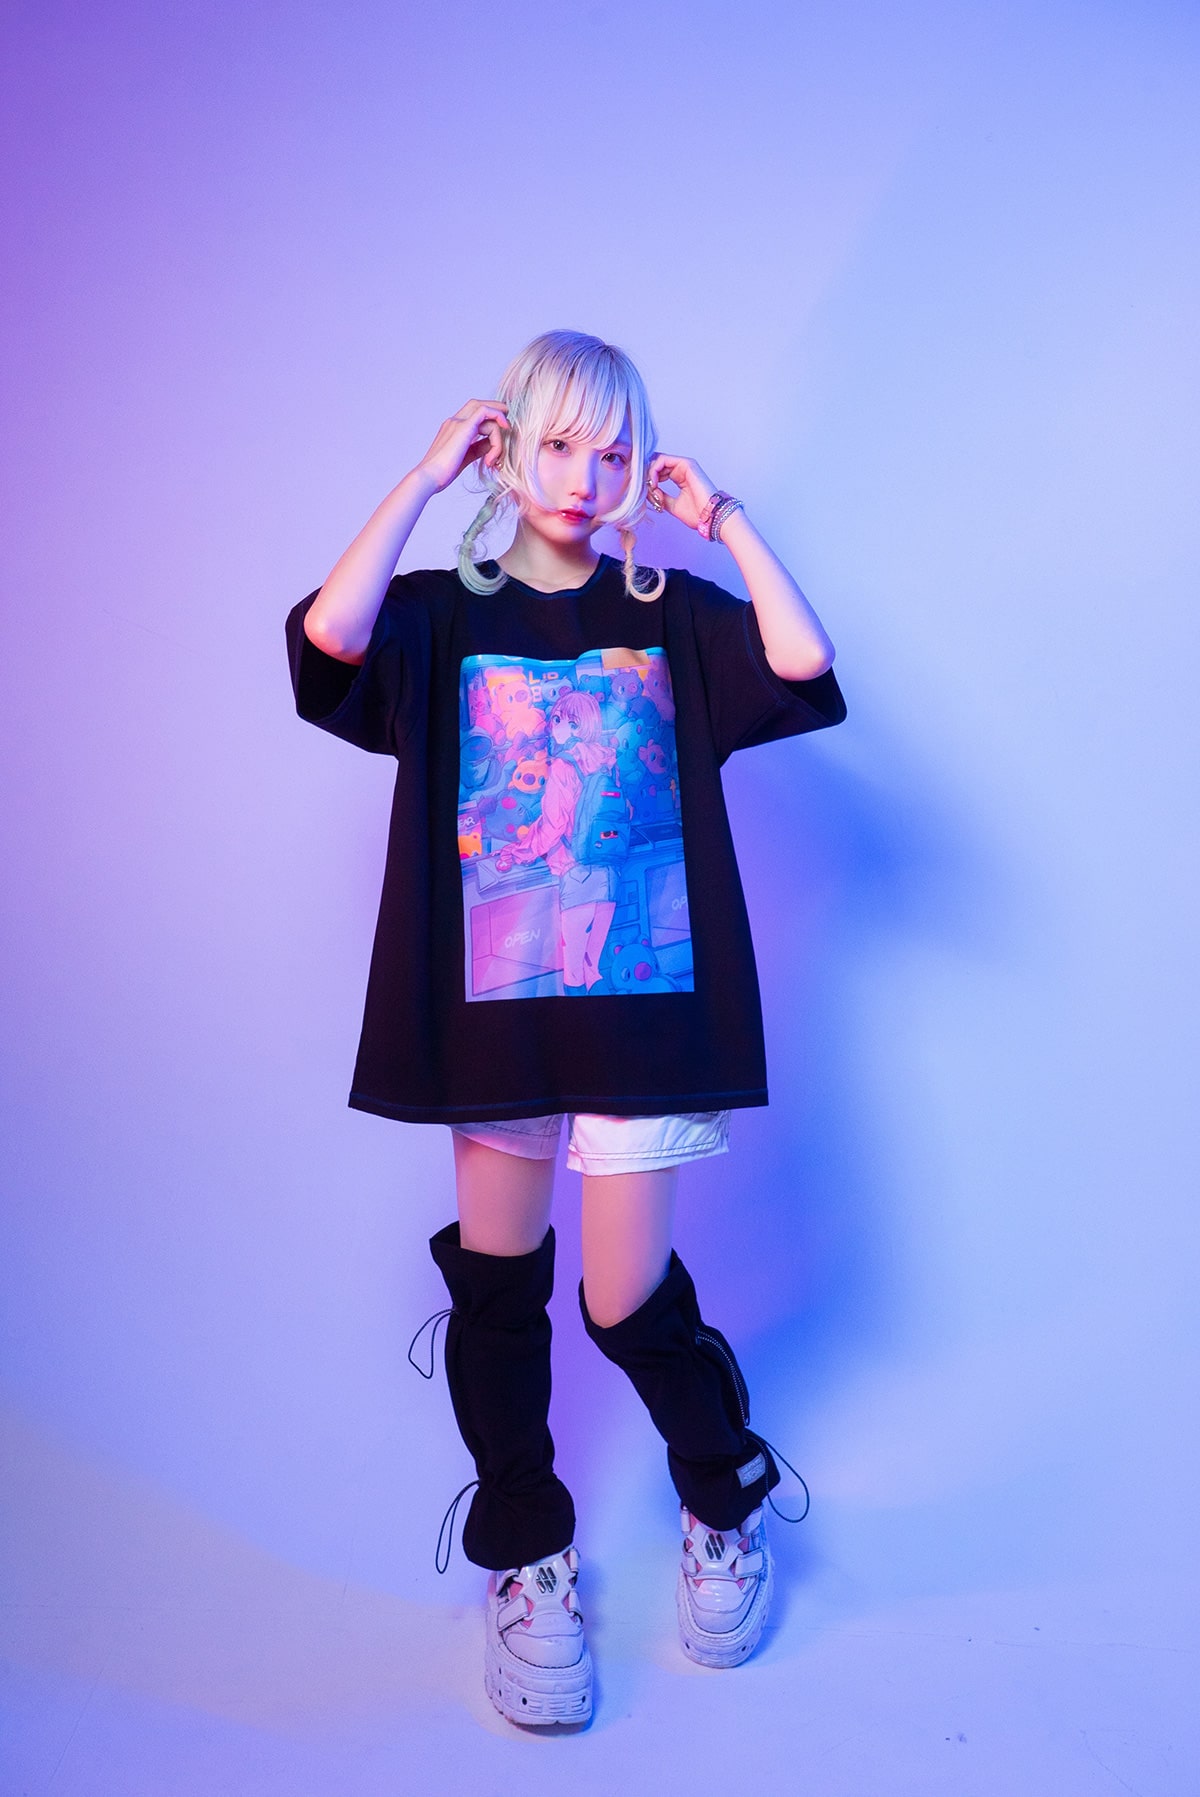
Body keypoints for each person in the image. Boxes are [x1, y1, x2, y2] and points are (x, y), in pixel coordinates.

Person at [286, 329, 844, 1727]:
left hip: (644, 1026)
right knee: (496, 1288)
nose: (586, 476)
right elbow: (329, 640)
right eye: (557, 444)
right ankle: (529, 1557)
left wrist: (723, 517)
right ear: (508, 446)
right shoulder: (441, 614)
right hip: (493, 1027)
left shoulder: (671, 610)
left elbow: (804, 658)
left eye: (613, 451)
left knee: (622, 1301)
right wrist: (424, 479)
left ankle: (725, 1496)